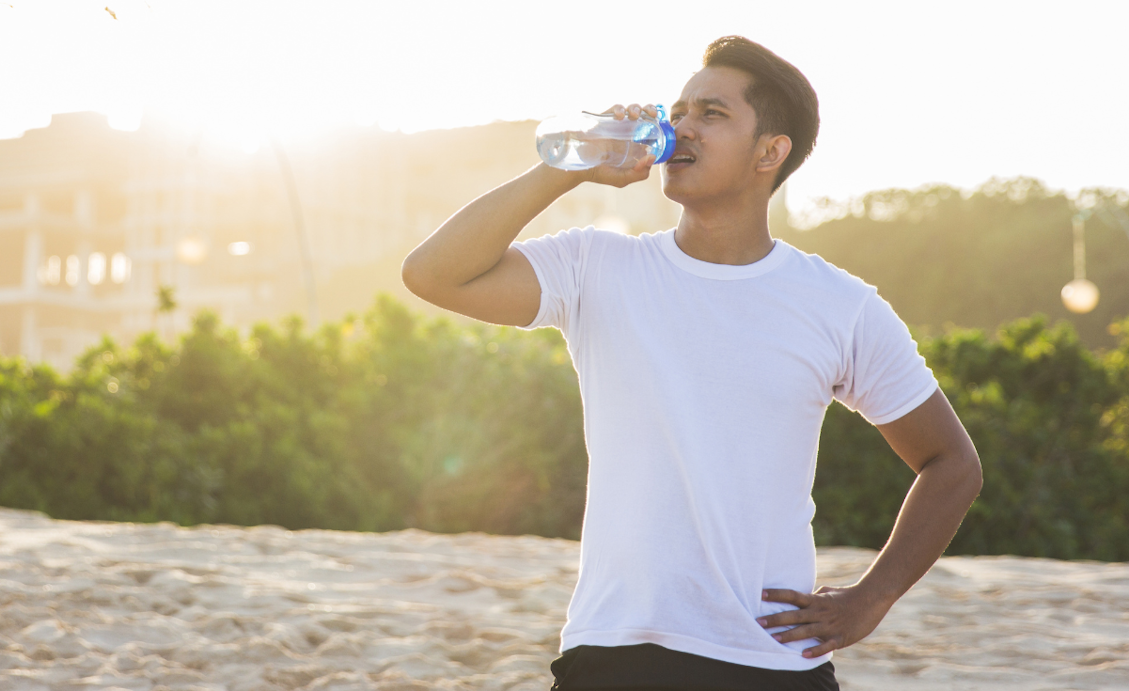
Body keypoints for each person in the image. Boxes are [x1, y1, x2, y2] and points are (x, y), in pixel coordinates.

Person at [401, 36, 983, 691]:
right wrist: (571, 165)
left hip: (771, 660)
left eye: (712, 114)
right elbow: (432, 274)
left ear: (770, 152)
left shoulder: (841, 307)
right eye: (678, 111)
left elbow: (952, 463)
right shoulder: (597, 267)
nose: (682, 127)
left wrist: (871, 599)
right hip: (615, 649)